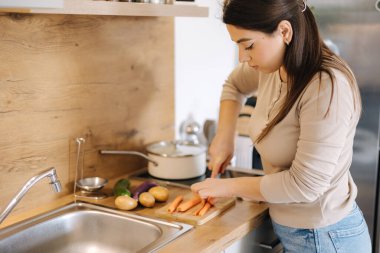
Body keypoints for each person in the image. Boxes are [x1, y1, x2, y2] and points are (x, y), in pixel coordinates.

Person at [190, 0, 372, 252]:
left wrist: (226, 187)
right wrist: (224, 135)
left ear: (284, 31)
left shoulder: (325, 86)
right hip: (298, 233)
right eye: (238, 47)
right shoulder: (274, 67)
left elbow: (306, 185)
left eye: (249, 45)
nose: (243, 57)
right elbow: (233, 86)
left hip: (326, 238)